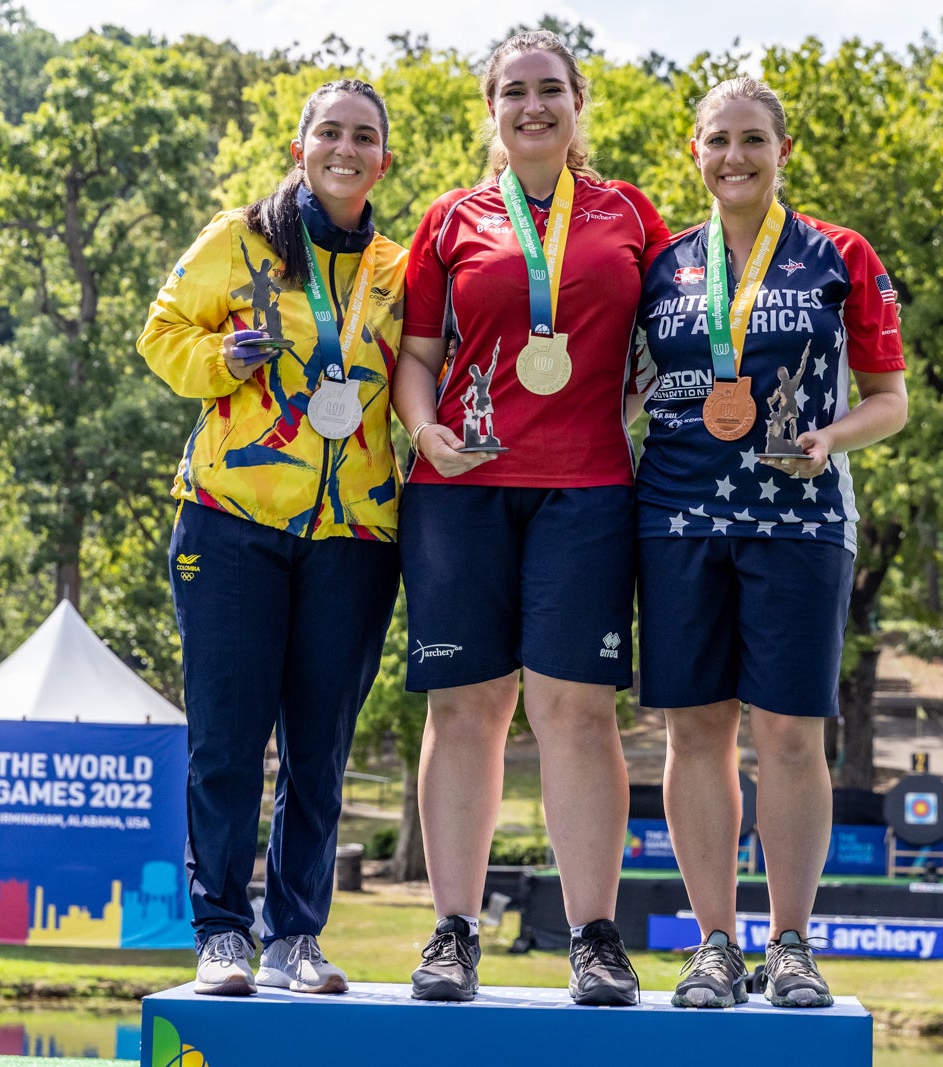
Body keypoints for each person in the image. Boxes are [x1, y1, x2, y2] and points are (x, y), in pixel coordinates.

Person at [392, 30, 670, 1006]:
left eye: (550, 89)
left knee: (578, 714)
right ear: (491, 109)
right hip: (459, 493)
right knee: (466, 709)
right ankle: (452, 932)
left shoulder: (632, 212)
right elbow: (417, 356)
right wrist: (424, 432)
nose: (533, 106)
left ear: (579, 101)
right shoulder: (447, 219)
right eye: (514, 92)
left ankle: (592, 937)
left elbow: (682, 329)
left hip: (590, 489)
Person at [633, 77, 908, 1009]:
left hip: (801, 520)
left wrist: (830, 437)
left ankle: (792, 944)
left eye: (753, 140)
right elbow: (626, 390)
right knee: (695, 733)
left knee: (791, 734)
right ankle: (716, 942)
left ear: (783, 149)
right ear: (695, 152)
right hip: (674, 516)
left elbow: (890, 398)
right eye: (718, 141)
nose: (735, 158)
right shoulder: (661, 266)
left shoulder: (840, 255)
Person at [138, 79, 406, 998]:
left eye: (363, 136)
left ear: (383, 159)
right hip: (232, 523)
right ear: (301, 148)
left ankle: (296, 935)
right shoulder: (238, 236)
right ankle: (221, 932)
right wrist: (219, 360)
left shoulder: (398, 269)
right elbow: (160, 334)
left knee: (320, 746)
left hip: (357, 533)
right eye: (328, 131)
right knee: (226, 738)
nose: (345, 147)